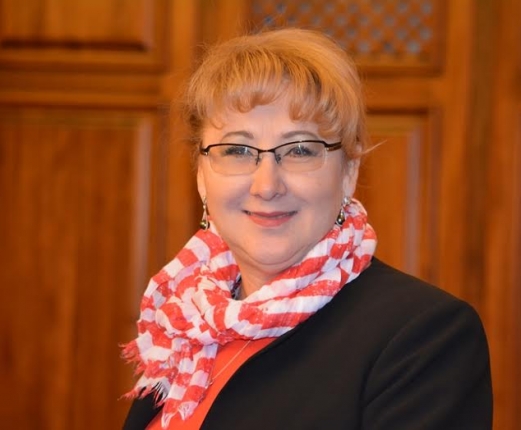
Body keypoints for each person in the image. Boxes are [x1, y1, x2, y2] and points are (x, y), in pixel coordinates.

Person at [122, 28, 492, 430]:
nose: (266, 185)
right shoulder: (183, 326)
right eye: (237, 150)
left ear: (348, 172)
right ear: (201, 175)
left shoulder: (423, 338)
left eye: (299, 150)